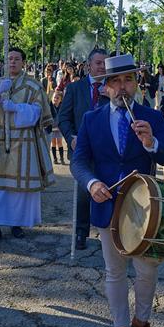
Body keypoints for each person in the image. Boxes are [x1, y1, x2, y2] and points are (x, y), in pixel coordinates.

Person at [71, 53, 164, 327]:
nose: (122, 87)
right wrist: (91, 184)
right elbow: (78, 162)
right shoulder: (92, 119)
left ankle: (141, 321)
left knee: (147, 270)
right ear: (106, 87)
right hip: (106, 205)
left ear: (136, 83)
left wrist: (151, 143)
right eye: (115, 81)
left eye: (128, 79)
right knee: (114, 271)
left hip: (144, 207)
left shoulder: (151, 117)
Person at [0, 47, 54, 245]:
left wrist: (15, 108)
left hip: (23, 143)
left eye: (17, 59)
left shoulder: (33, 86)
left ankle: (17, 223)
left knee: (18, 189)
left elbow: (36, 114)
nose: (12, 62)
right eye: (9, 59)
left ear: (23, 62)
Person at [58, 48, 108, 250]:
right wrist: (70, 138)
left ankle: (107, 229)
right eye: (98, 63)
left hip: (107, 151)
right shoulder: (75, 88)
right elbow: (63, 118)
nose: (102, 67)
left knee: (108, 189)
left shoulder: (113, 89)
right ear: (89, 65)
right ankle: (81, 231)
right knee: (84, 190)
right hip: (81, 151)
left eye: (105, 63)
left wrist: (113, 97)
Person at [49, 89, 65, 164]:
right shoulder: (49, 106)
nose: (55, 99)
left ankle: (62, 158)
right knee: (53, 143)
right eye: (54, 97)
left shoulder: (62, 107)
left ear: (61, 100)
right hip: (52, 127)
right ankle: (55, 158)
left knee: (59, 142)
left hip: (59, 127)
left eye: (57, 98)